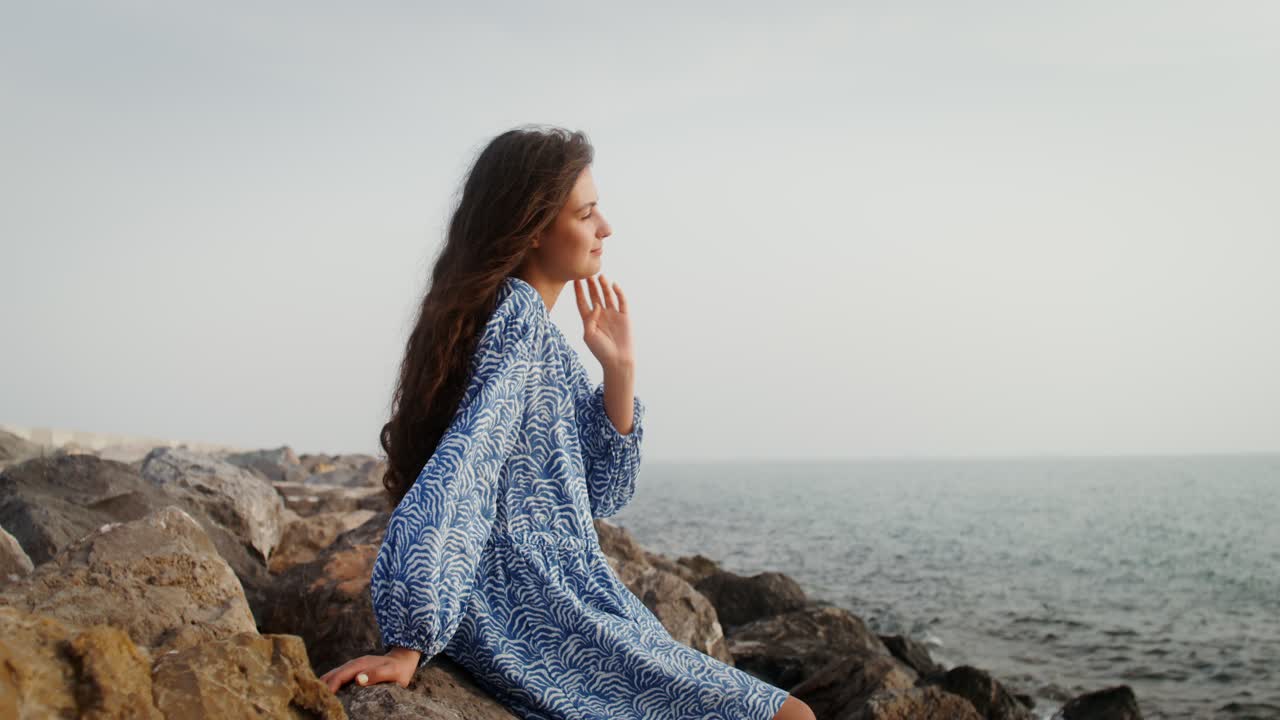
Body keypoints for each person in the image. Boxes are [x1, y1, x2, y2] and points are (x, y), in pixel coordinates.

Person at [320, 125, 815, 720]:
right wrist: (412, 639)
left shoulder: (534, 336)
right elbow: (466, 466)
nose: (606, 227)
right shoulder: (518, 323)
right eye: (586, 213)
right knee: (790, 716)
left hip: (562, 596)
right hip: (534, 607)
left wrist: (620, 370)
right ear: (532, 228)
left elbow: (601, 489)